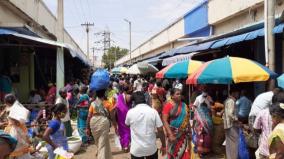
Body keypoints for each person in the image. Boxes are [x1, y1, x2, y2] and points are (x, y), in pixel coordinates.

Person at [126, 91, 166, 159]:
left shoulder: (130, 112)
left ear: (134, 102)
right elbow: (160, 130)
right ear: (145, 100)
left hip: (136, 149)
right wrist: (164, 145)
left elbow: (127, 125)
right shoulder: (153, 111)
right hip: (151, 149)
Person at [162, 88, 191, 159]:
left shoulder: (184, 105)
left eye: (180, 94)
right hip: (173, 135)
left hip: (183, 135)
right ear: (172, 95)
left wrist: (190, 131)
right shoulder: (168, 105)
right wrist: (170, 135)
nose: (180, 95)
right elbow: (164, 120)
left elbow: (187, 119)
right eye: (177, 94)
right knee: (172, 153)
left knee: (184, 153)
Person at [86, 89, 114, 159]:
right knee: (102, 143)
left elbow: (89, 116)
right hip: (103, 122)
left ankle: (105, 156)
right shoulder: (108, 103)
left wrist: (87, 128)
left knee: (99, 142)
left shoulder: (93, 103)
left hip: (93, 122)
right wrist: (115, 126)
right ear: (104, 94)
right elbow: (112, 117)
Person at [114, 84, 132, 152]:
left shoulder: (119, 96)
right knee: (127, 130)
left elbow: (117, 105)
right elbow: (130, 105)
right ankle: (126, 145)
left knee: (121, 130)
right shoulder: (129, 96)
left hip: (120, 114)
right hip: (127, 113)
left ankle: (123, 145)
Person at [223, 89, 240, 159]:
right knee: (234, 144)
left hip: (227, 125)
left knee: (229, 144)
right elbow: (230, 114)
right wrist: (236, 119)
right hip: (232, 125)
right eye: (237, 93)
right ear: (233, 93)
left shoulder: (227, 100)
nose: (238, 94)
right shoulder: (231, 101)